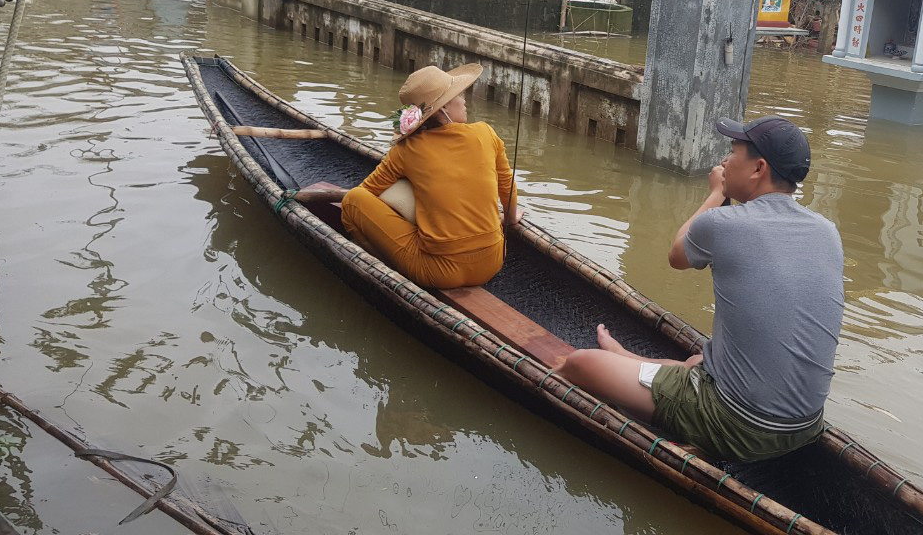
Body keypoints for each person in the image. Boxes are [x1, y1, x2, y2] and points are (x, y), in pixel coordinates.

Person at [558, 116, 845, 463]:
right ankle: (630, 360)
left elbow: (677, 255)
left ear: (758, 168)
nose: (724, 161)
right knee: (696, 360)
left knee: (580, 363)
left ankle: (635, 377)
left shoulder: (723, 223)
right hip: (806, 425)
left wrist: (716, 193)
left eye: (733, 152)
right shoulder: (828, 231)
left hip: (740, 426)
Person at [337, 63, 520, 289]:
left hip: (437, 273)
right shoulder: (486, 132)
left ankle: (382, 264)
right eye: (458, 96)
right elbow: (507, 187)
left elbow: (366, 193)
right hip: (492, 262)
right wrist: (510, 219)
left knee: (352, 201)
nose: (464, 100)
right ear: (442, 109)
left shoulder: (407, 149)